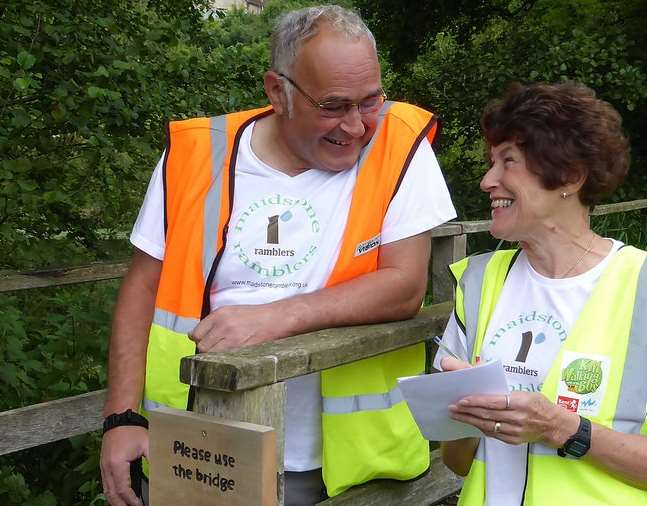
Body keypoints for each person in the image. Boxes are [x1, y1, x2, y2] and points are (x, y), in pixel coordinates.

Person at [99, 5, 456, 506]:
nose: (356, 126)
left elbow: (404, 285)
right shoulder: (196, 153)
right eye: (333, 106)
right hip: (200, 451)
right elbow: (143, 288)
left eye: (370, 101)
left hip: (343, 465)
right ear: (277, 91)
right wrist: (121, 417)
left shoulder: (399, 144)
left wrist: (273, 319)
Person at [434, 82, 647, 505]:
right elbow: (457, 460)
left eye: (509, 161)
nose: (487, 180)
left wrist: (561, 428)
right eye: (492, 162)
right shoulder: (477, 283)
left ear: (570, 176)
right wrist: (464, 416)